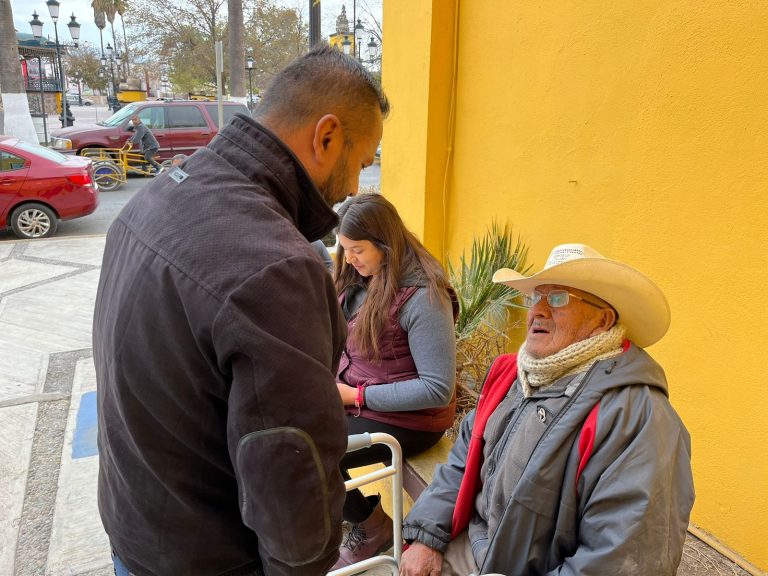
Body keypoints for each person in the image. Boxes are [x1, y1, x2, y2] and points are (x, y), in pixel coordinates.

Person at [93, 46, 388, 576]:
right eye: (363, 163)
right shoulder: (276, 266)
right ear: (326, 137)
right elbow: (289, 473)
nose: (353, 190)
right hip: (205, 555)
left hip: (136, 533)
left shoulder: (157, 196)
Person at [400, 243, 695, 576]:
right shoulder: (515, 377)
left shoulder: (639, 417)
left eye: (558, 299)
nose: (537, 310)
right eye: (534, 297)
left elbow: (624, 561)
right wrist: (426, 535)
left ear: (602, 320)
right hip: (473, 547)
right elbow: (463, 459)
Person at [330, 194, 458, 570]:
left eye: (358, 249)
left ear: (385, 244)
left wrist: (355, 395)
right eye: (345, 248)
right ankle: (367, 524)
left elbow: (437, 388)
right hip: (363, 401)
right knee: (287, 433)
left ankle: (371, 528)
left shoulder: (423, 295)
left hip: (413, 419)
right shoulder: (362, 277)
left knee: (311, 449)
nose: (349, 258)